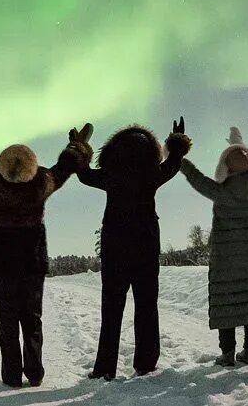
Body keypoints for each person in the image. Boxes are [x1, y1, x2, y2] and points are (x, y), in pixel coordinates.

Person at [0, 123, 93, 388]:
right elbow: (65, 166)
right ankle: (35, 374)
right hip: (32, 262)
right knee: (32, 320)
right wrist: (77, 145)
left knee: (7, 321)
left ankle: (11, 376)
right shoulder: (41, 183)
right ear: (32, 164)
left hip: (1, 262)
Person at [77, 119, 192, 380]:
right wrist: (176, 140)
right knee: (147, 305)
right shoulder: (151, 174)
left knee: (111, 307)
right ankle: (146, 362)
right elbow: (173, 163)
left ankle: (105, 367)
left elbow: (83, 174)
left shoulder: (110, 175)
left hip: (114, 245)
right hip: (146, 244)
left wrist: (79, 147)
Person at [179, 126, 248, 366]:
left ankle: (227, 354)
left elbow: (198, 180)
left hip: (225, 259)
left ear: (225, 166)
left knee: (226, 304)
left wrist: (180, 160)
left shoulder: (222, 192)